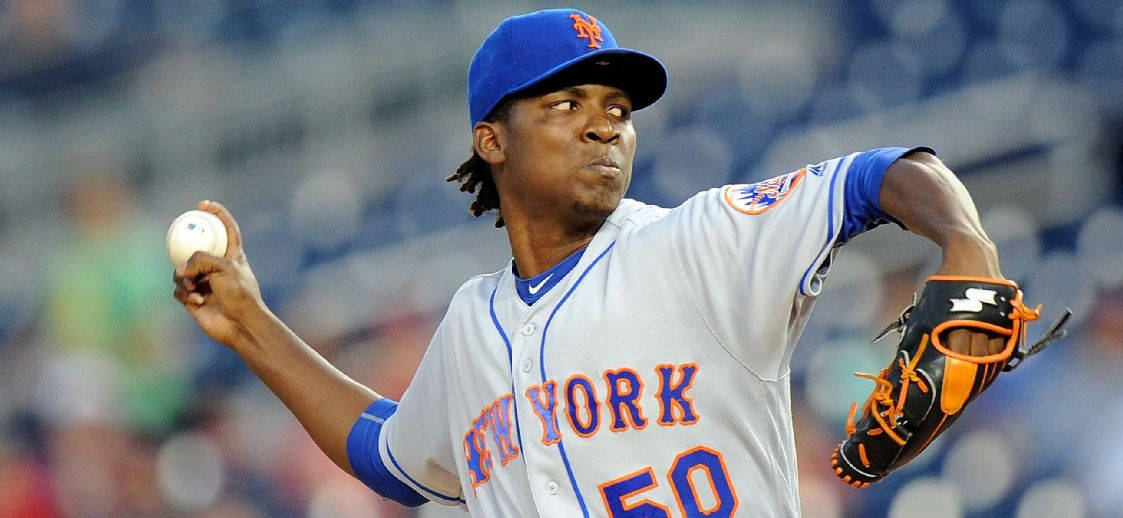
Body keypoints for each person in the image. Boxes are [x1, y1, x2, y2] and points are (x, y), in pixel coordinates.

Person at [172, 8, 1010, 517]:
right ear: (491, 140)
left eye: (616, 107)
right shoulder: (471, 323)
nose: (604, 124)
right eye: (565, 103)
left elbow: (883, 176)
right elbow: (391, 457)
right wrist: (249, 324)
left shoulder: (696, 243)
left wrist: (967, 246)